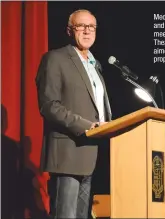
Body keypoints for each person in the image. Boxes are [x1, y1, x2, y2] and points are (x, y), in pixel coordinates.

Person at [35, 9, 112, 218]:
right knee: (65, 215)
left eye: (92, 27)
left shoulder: (96, 66)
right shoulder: (55, 58)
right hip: (68, 151)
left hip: (92, 152)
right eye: (81, 26)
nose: (87, 31)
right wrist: (86, 125)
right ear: (70, 30)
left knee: (81, 215)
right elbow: (49, 105)